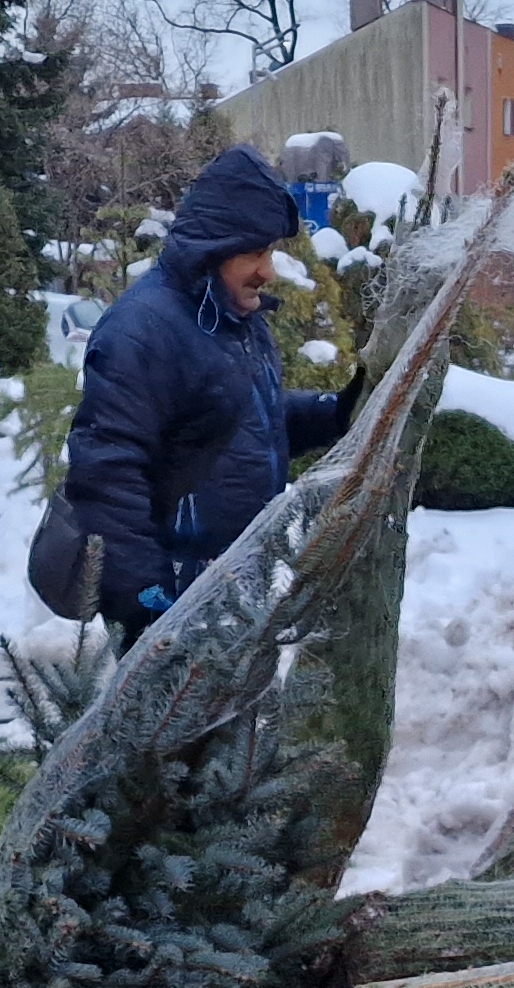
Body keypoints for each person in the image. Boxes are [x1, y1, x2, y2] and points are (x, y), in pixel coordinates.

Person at [58, 144, 344, 640]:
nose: (269, 271)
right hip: (174, 596)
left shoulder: (230, 317)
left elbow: (242, 424)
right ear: (215, 248)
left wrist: (336, 412)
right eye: (255, 253)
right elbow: (107, 473)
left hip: (228, 582)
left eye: (271, 252)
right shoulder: (143, 330)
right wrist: (149, 603)